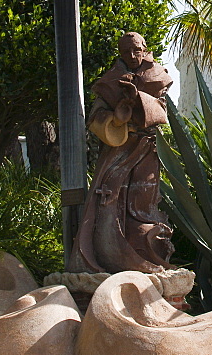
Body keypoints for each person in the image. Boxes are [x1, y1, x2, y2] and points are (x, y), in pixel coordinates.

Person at [71, 32, 175, 274]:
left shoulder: (158, 76)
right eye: (126, 51)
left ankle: (147, 253)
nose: (132, 55)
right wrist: (117, 118)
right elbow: (97, 116)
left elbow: (162, 112)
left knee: (145, 201)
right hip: (118, 149)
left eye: (136, 49)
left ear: (144, 48)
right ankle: (111, 256)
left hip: (147, 149)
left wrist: (139, 101)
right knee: (110, 201)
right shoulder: (111, 80)